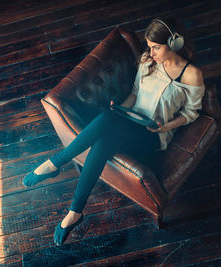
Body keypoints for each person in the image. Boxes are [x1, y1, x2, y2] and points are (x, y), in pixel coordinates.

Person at [23, 17, 205, 245]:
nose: (152, 52)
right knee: (104, 141)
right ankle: (75, 211)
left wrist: (166, 126)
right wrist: (121, 109)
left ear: (174, 44)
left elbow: (191, 113)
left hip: (153, 135)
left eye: (156, 47)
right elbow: (134, 94)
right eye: (149, 46)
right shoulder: (148, 60)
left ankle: (55, 163)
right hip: (130, 122)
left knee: (106, 122)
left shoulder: (191, 75)